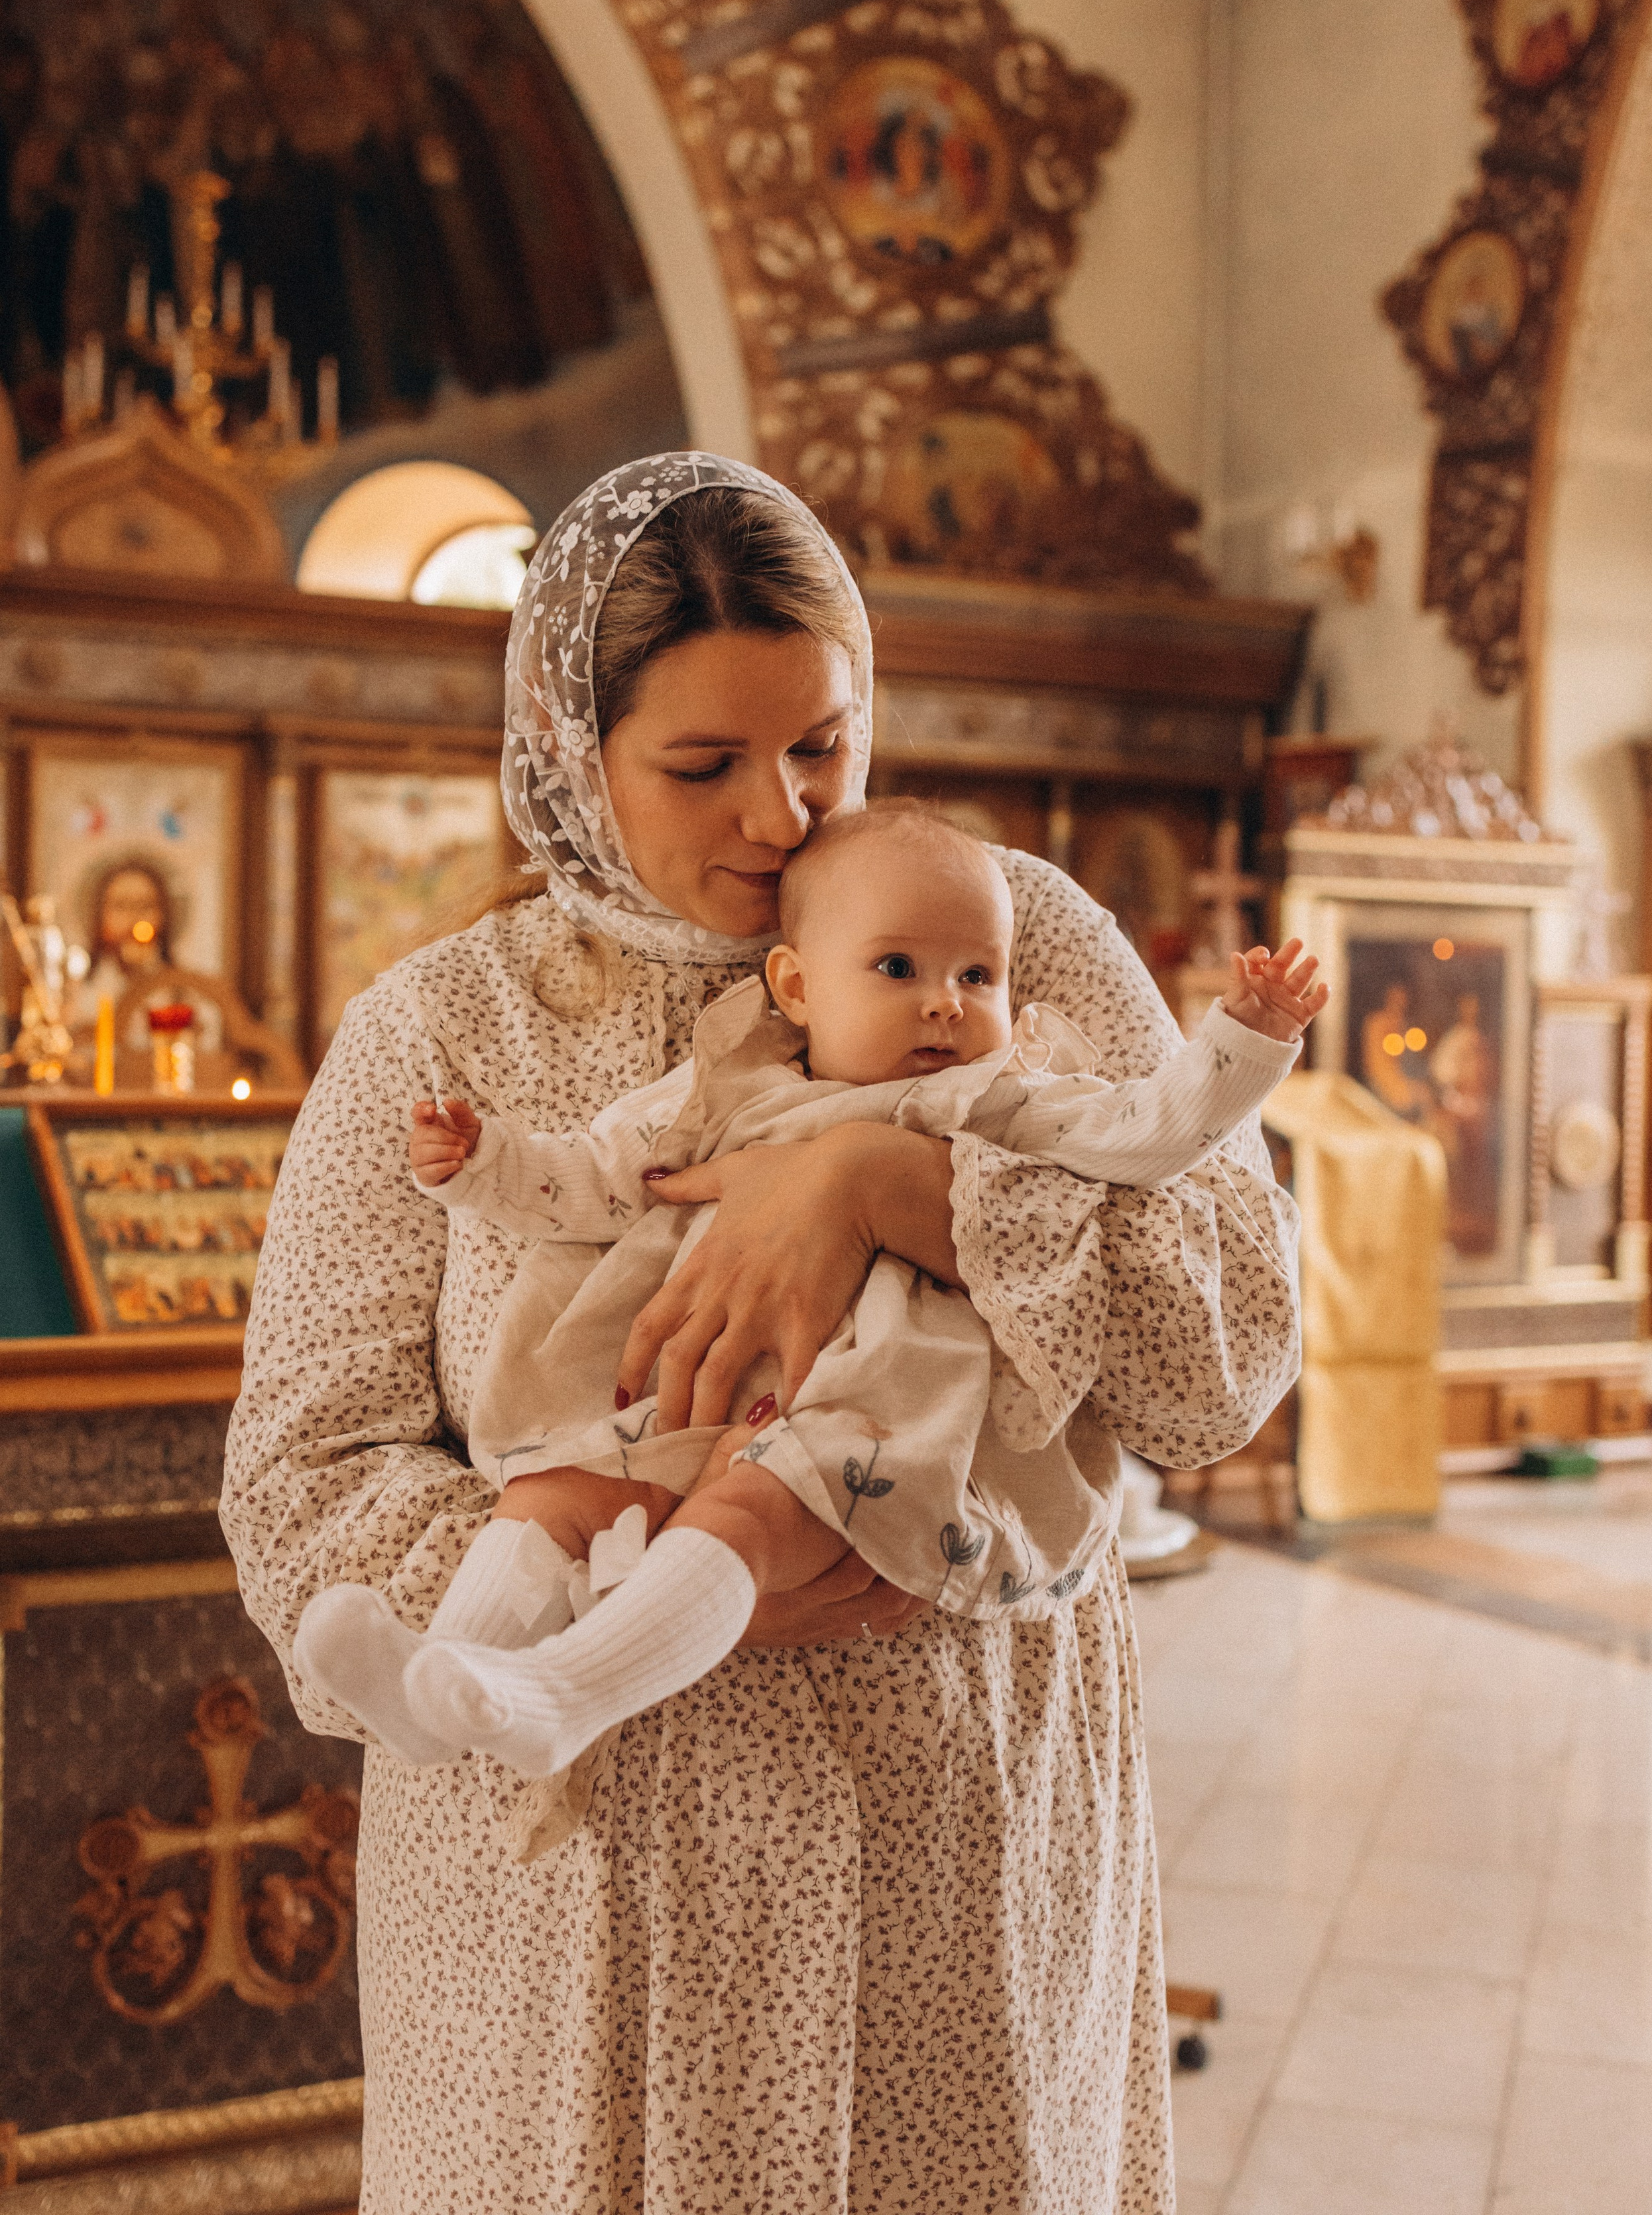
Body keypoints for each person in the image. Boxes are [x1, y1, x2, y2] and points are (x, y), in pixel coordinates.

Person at [221, 451, 1303, 2215]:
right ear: (576, 757)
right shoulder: (442, 1030)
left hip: (953, 1876)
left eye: (821, 745)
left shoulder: (1001, 935)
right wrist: (614, 1570)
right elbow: (303, 1484)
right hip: (569, 1924)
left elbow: (1221, 1359)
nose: (782, 819)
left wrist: (888, 1187)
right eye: (703, 765)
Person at [292, 804, 1323, 1784]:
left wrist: (1248, 1037)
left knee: (754, 1502)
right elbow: (600, 1178)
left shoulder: (1002, 1095)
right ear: (796, 983)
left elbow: (1157, 1129)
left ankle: (562, 1692)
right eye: (897, 969)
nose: (944, 1001)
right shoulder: (736, 1086)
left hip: (868, 1418)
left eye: (979, 975)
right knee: (553, 1486)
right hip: (678, 1410)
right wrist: (484, 1166)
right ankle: (445, 1678)